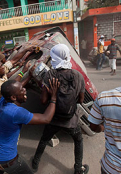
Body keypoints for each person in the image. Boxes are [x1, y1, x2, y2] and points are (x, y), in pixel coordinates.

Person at [32, 44, 88, 174]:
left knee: (44, 140)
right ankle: (78, 168)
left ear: (54, 57)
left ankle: (35, 164)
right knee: (78, 141)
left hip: (53, 118)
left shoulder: (49, 75)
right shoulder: (78, 75)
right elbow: (80, 100)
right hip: (70, 120)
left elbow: (43, 101)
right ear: (67, 56)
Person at [0, 78, 59, 174]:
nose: (25, 90)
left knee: (0, 168)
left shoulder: (4, 100)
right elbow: (46, 118)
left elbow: (15, 88)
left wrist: (29, 75)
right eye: (22, 90)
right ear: (13, 97)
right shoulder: (16, 112)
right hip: (7, 159)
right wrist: (53, 97)